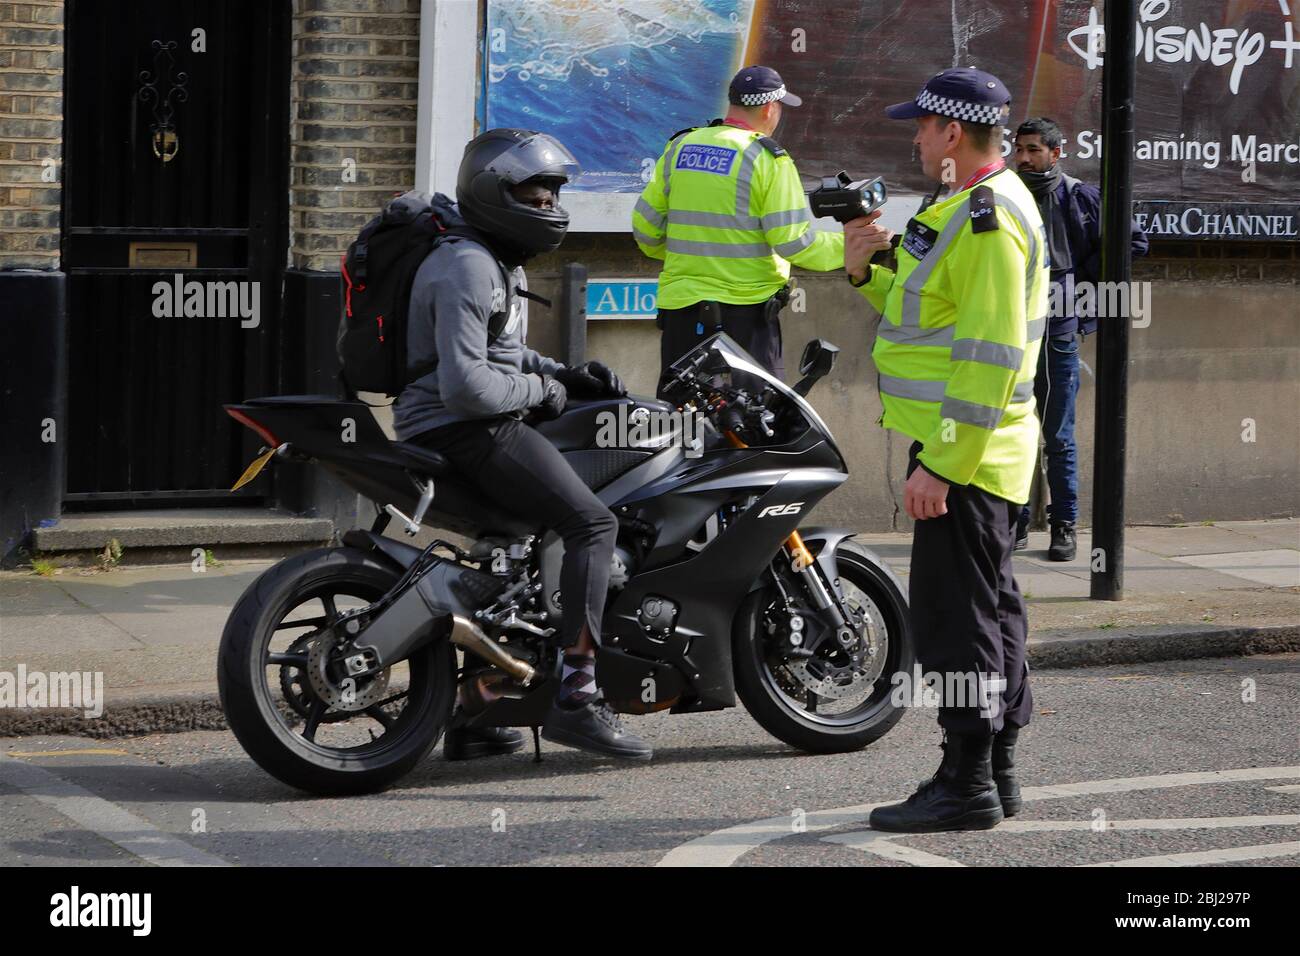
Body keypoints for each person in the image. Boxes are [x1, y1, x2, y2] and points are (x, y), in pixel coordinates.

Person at [393, 128, 652, 762]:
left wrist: (566, 373)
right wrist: (542, 391)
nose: (549, 206)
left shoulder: (491, 260)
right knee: (592, 522)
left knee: (524, 554)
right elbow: (468, 386)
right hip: (463, 429)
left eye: (553, 193)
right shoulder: (467, 265)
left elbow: (499, 351)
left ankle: (477, 711)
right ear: (494, 194)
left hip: (468, 422)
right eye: (535, 194)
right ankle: (577, 695)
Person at [844, 68, 1047, 832]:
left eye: (923, 127)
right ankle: (994, 769)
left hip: (967, 456)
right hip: (972, 455)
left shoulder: (988, 215)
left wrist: (940, 464)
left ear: (953, 133)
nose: (917, 139)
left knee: (955, 620)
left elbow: (989, 352)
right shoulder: (961, 206)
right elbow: (923, 314)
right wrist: (866, 266)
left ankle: (965, 782)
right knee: (990, 612)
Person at [632, 65, 848, 393]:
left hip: (683, 316)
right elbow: (793, 243)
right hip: (747, 320)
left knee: (680, 423)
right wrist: (853, 247)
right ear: (769, 108)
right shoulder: (768, 159)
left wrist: (691, 254)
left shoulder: (680, 147)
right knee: (755, 428)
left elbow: (646, 230)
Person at [1012, 117, 1150, 560]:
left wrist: (1077, 284)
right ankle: (1013, 525)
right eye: (1020, 149)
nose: (1025, 158)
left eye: (1034, 150)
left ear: (1056, 152)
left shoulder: (1080, 196)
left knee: (1058, 435)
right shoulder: (1004, 194)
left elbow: (1132, 242)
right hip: (1008, 331)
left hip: (1057, 332)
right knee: (1011, 431)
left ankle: (1063, 526)